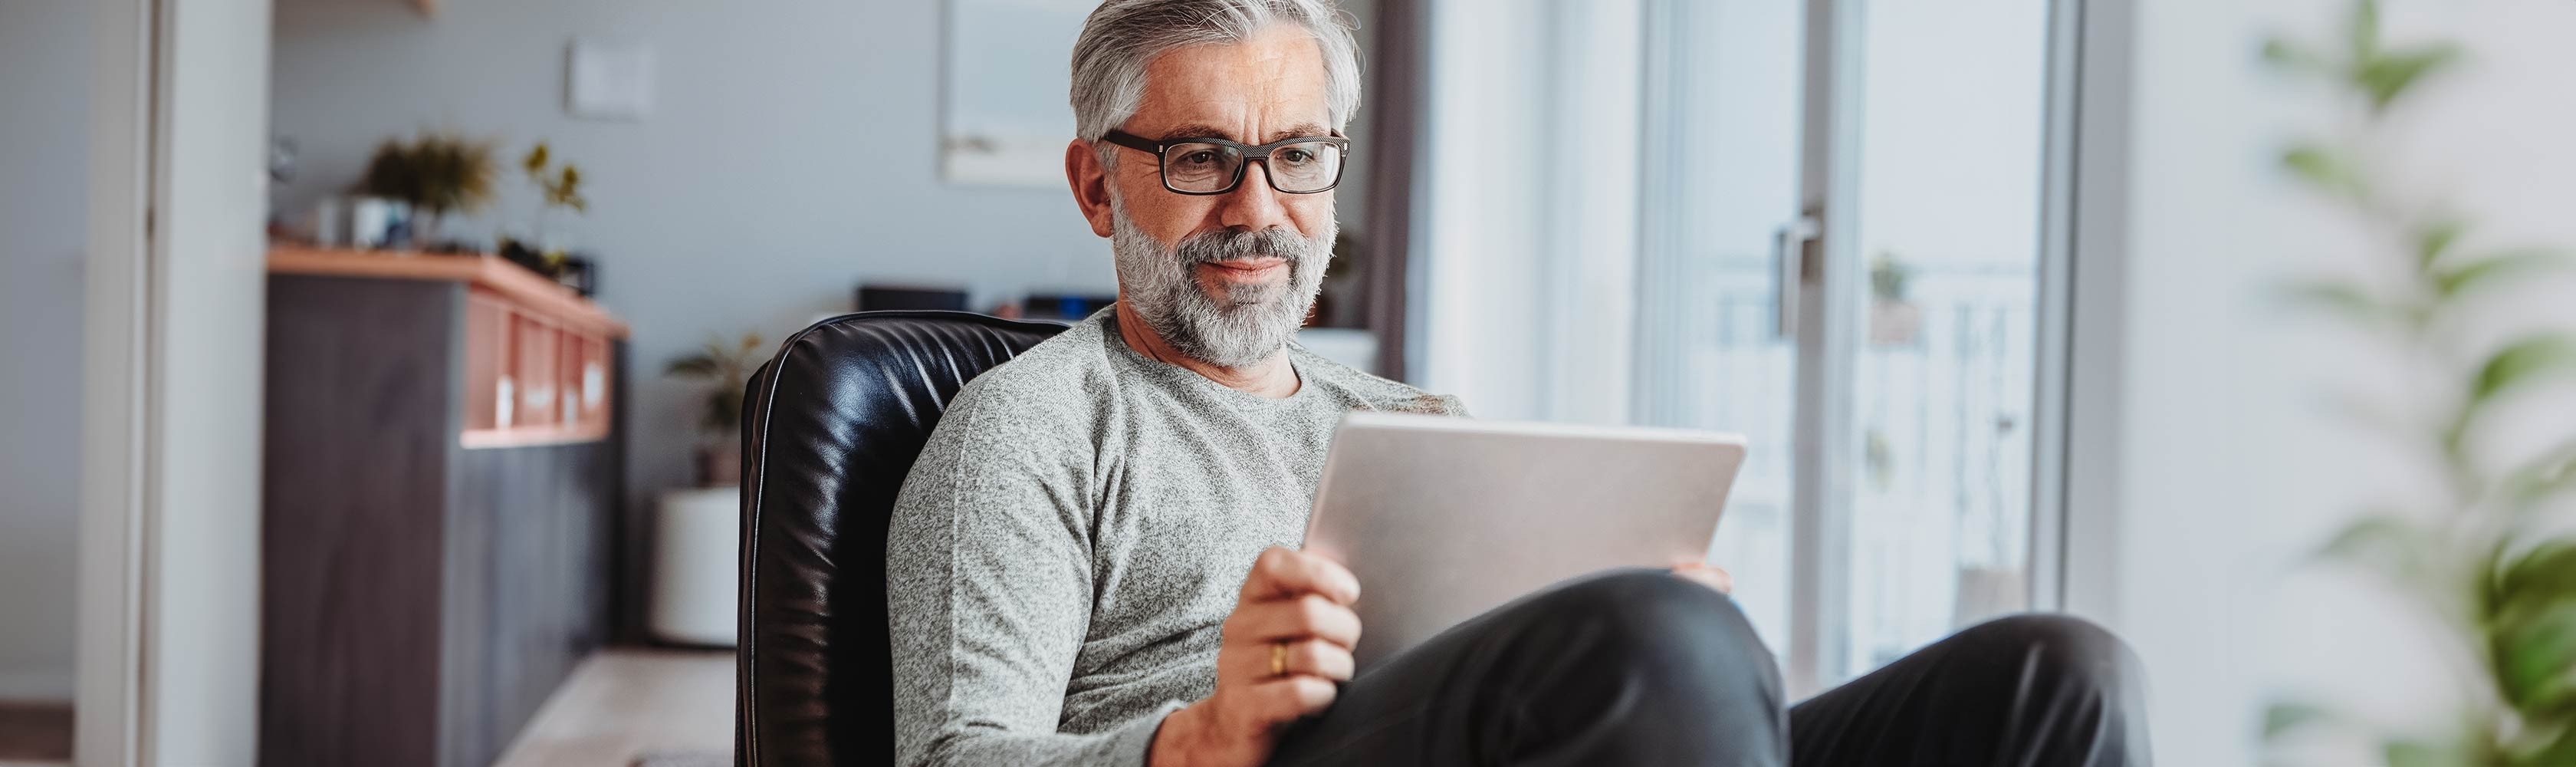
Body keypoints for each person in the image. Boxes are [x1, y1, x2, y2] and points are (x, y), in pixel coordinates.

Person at [884, 2, 2150, 765]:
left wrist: (1653, 632)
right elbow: (952, 757)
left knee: (2056, 677)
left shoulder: (1409, 427)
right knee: (1660, 644)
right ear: (1099, 183)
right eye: (1205, 157)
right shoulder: (1035, 428)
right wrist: (1200, 738)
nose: (1258, 209)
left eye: (1299, 155)